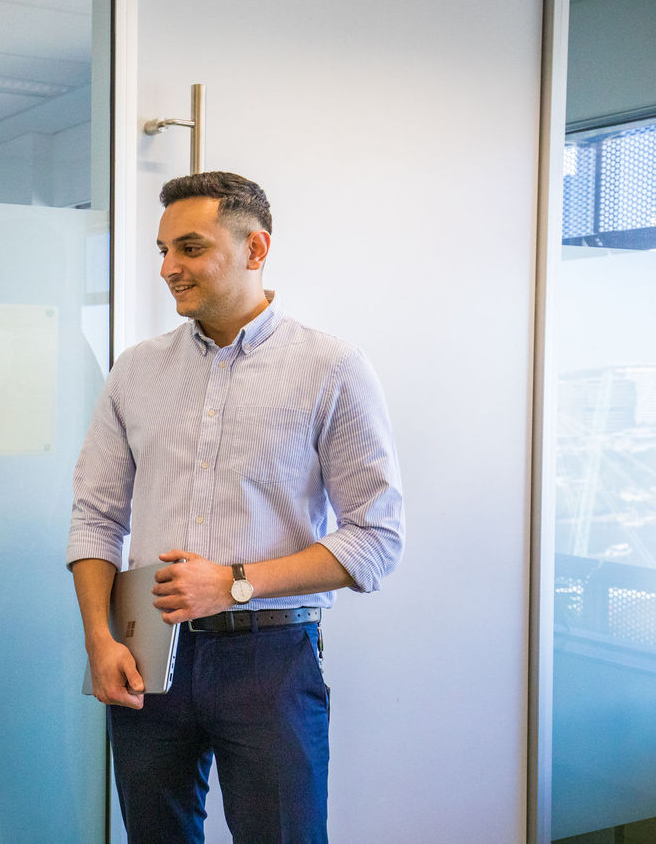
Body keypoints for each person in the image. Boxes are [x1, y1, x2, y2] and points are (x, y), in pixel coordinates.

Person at [67, 172, 404, 843]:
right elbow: (96, 517)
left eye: (189, 248)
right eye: (162, 250)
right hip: (145, 651)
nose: (168, 268)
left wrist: (233, 582)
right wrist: (99, 641)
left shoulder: (331, 368)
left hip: (270, 657)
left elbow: (377, 538)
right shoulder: (134, 371)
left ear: (256, 249)